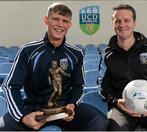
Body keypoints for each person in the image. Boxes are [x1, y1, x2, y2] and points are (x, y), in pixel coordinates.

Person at [0, 2, 109, 131]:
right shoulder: (28, 51)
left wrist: (72, 105)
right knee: (3, 126)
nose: (60, 24)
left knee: (100, 121)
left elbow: (79, 86)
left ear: (69, 25)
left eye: (65, 21)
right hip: (34, 111)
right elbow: (10, 86)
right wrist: (23, 117)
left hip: (64, 111)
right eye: (56, 19)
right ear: (46, 20)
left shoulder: (76, 54)